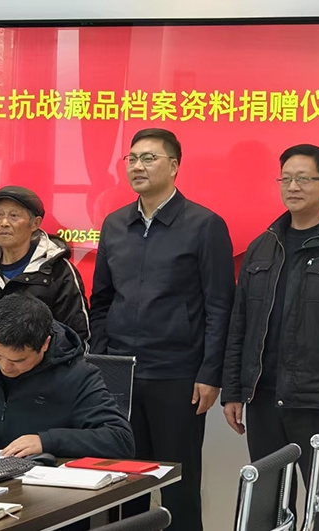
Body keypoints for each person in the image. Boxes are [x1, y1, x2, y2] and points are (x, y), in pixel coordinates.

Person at [89, 128, 235, 531]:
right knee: (124, 486)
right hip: (121, 376)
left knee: (179, 487)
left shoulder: (204, 225)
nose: (137, 166)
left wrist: (210, 373)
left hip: (178, 375)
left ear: (174, 166)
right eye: (132, 158)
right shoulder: (115, 224)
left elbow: (219, 306)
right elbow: (101, 300)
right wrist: (103, 360)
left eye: (149, 158)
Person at [222, 144, 319, 505]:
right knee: (269, 506)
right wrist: (232, 390)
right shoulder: (262, 247)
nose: (293, 187)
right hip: (263, 400)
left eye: (304, 179)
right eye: (286, 179)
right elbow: (239, 325)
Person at [0, 294, 134, 458]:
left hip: (42, 479)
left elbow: (120, 439)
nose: (5, 366)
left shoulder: (77, 375)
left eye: (18, 360)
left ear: (45, 344)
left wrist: (46, 442)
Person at [0, 186, 89, 354]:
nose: (4, 223)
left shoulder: (58, 272)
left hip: (39, 369)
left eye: (14, 216)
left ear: (35, 223)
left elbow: (75, 337)